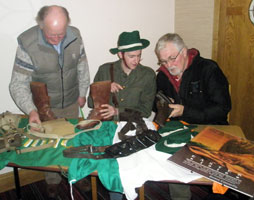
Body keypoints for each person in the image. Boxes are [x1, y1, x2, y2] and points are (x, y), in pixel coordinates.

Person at [9, 5, 90, 198]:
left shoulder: (75, 35)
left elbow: (82, 66)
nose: (57, 39)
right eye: (51, 35)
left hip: (71, 101)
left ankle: (77, 174)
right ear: (41, 25)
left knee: (74, 142)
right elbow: (17, 84)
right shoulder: (27, 43)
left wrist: (82, 92)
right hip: (45, 107)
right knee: (50, 147)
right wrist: (31, 110)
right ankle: (52, 180)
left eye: (61, 34)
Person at [154, 33, 231, 200]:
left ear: (184, 52)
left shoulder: (208, 69)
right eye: (163, 61)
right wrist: (164, 106)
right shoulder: (162, 76)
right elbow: (157, 103)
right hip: (180, 130)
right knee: (167, 156)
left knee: (221, 177)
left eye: (172, 59)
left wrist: (185, 111)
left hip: (212, 128)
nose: (168, 65)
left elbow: (223, 108)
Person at [88, 30, 156, 200]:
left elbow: (146, 110)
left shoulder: (148, 75)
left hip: (132, 127)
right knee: (113, 167)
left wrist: (118, 112)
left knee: (131, 166)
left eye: (139, 56)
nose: (137, 60)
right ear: (120, 54)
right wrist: (104, 88)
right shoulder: (105, 70)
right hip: (107, 127)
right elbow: (91, 103)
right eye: (132, 56)